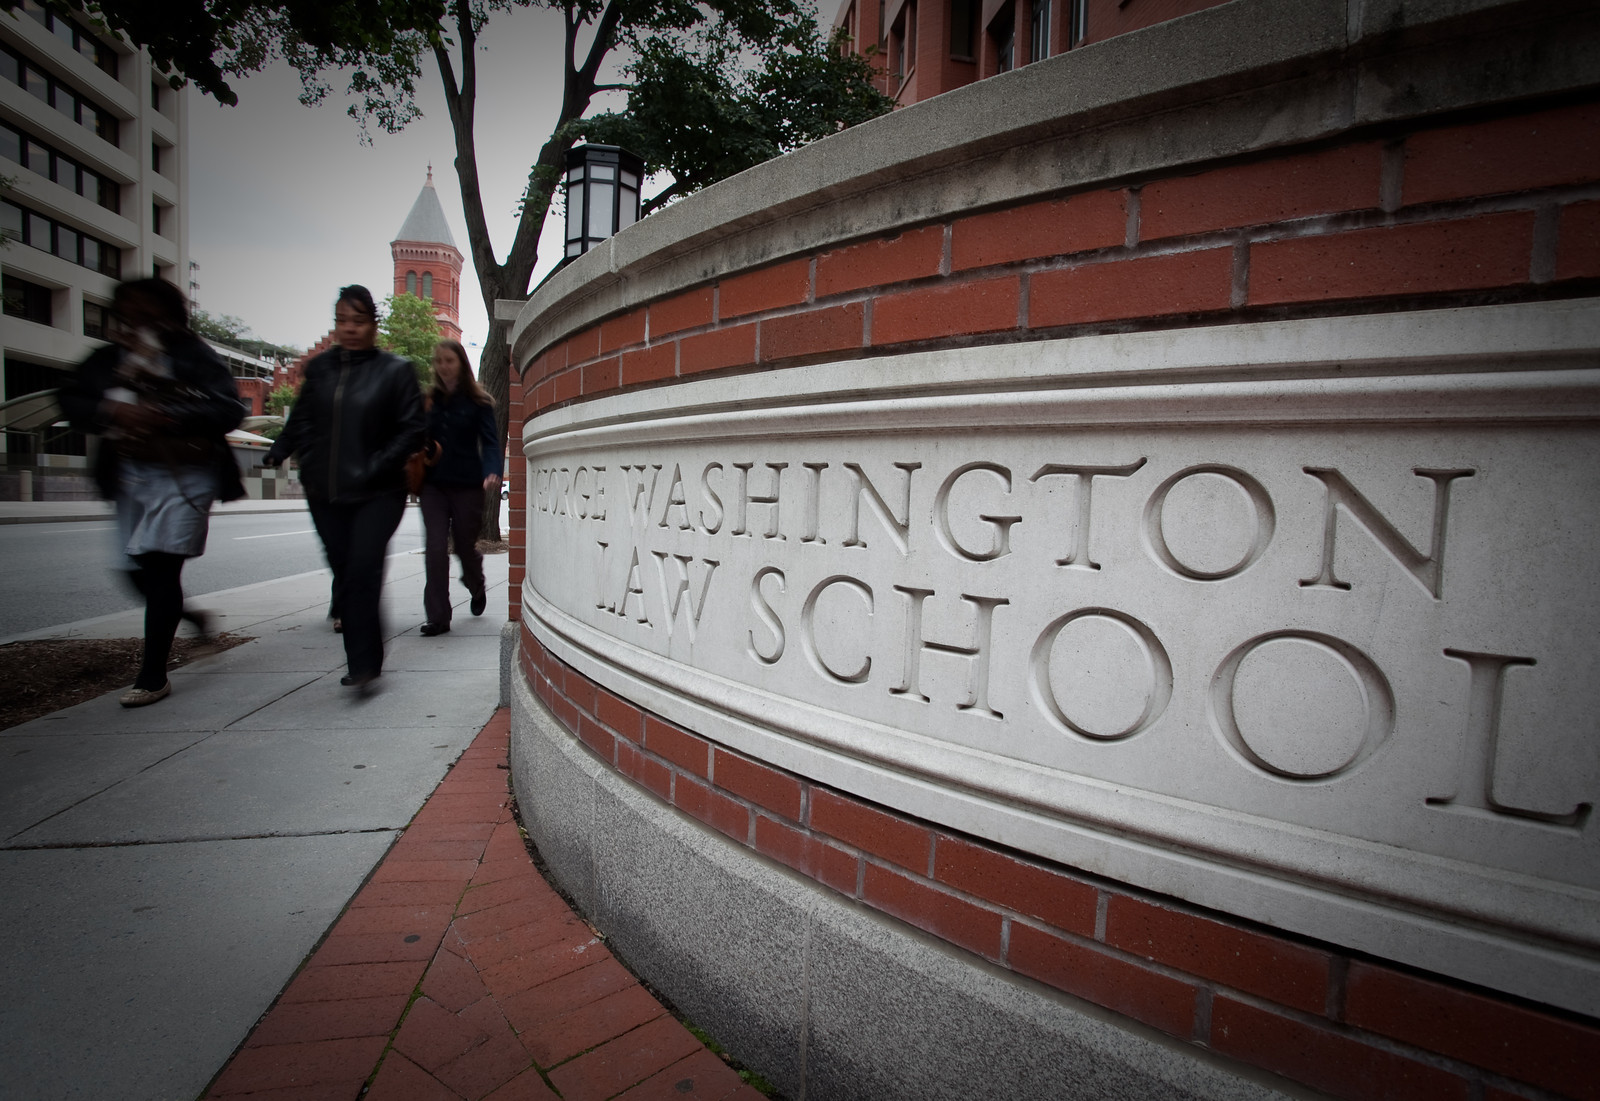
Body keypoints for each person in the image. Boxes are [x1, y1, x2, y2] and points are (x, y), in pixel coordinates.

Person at [59, 278, 245, 707]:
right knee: (132, 569)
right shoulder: (109, 359)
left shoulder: (194, 355)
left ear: (168, 316)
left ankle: (153, 674)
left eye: (147, 313)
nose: (137, 322)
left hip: (184, 472)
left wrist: (167, 413)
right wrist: (113, 408)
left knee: (162, 567)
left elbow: (229, 407)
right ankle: (190, 616)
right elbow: (71, 399)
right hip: (129, 473)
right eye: (129, 314)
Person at [265, 285, 423, 691]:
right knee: (345, 572)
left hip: (378, 491)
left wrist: (376, 465)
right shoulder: (320, 370)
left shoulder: (395, 371)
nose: (349, 329)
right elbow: (302, 419)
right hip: (326, 491)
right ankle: (363, 653)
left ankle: (364, 663)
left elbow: (412, 430)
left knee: (363, 570)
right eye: (341, 321)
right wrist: (282, 448)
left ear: (373, 324)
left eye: (357, 321)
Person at [419, 339, 502, 636]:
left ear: (461, 364)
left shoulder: (479, 403)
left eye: (449, 361)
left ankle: (475, 584)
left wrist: (493, 470)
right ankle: (439, 616)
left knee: (465, 547)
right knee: (436, 548)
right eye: (439, 361)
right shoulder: (428, 401)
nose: (443, 367)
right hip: (433, 486)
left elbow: (491, 443)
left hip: (468, 485)